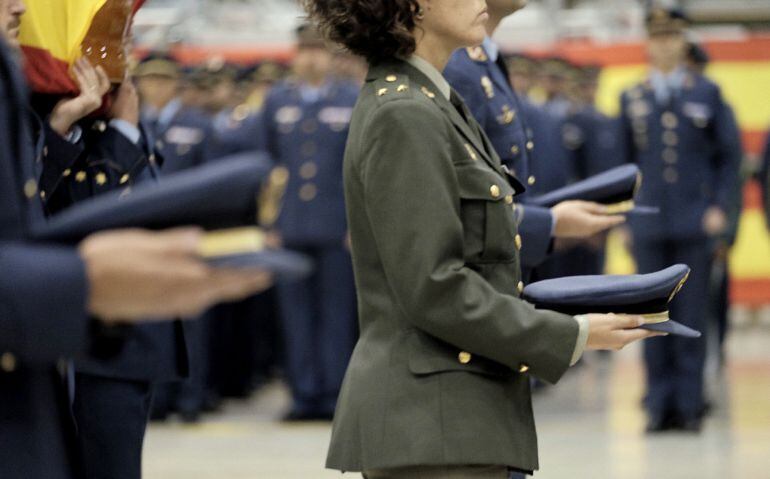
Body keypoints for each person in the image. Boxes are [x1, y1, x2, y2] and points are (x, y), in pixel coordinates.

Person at [301, 1, 661, 477]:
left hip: (453, 416)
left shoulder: (431, 100)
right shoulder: (405, 112)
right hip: (432, 422)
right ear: (414, 6)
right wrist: (570, 335)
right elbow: (435, 286)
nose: (481, 1)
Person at [0, 2, 272, 477]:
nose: (123, 51)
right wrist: (82, 127)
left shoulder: (120, 109)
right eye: (113, 38)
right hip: (87, 339)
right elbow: (45, 206)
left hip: (124, 339)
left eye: (124, 39)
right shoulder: (50, 113)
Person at [617, 7, 742, 432]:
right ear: (647, 43)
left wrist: (719, 208)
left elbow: (729, 158)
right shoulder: (632, 98)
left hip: (694, 222)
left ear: (684, 41)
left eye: (672, 36)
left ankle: (689, 405)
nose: (665, 44)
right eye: (658, 36)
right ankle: (658, 404)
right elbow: (622, 166)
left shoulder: (707, 93)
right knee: (650, 317)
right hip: (648, 224)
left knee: (689, 315)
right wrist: (622, 218)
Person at [443, 0, 624, 280]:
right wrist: (549, 224)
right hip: (482, 274)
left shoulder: (485, 61)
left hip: (504, 258)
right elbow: (461, 198)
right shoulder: (461, 70)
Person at [258, 23, 359, 421]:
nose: (311, 57)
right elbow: (266, 168)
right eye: (304, 50)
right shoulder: (276, 100)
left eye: (318, 50)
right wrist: (267, 224)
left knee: (337, 315)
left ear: (332, 55)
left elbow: (358, 169)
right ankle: (303, 394)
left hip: (337, 227)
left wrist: (358, 224)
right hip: (290, 227)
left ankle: (334, 395)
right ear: (294, 54)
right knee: (295, 316)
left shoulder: (350, 98)